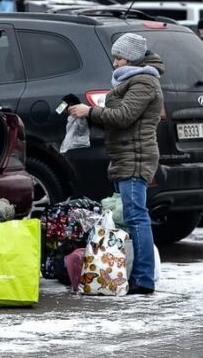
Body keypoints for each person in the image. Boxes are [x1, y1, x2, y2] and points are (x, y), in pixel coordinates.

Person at [68, 32, 163, 295]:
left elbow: (124, 116)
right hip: (125, 154)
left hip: (136, 155)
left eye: (119, 58)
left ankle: (143, 279)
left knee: (136, 217)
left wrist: (91, 111)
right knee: (129, 217)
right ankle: (131, 273)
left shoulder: (144, 82)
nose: (115, 63)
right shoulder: (131, 80)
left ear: (131, 59)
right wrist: (89, 116)